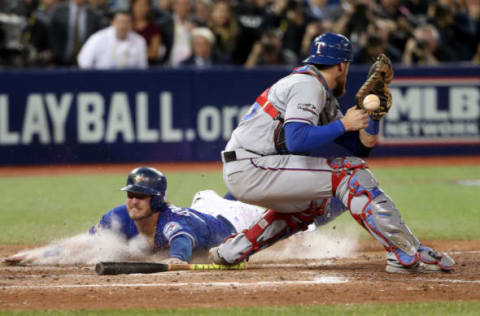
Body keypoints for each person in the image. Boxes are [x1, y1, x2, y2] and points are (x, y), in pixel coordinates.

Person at [209, 32, 455, 274]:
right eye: (347, 65)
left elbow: (358, 149)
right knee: (348, 172)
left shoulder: (318, 89)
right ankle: (406, 252)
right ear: (341, 65)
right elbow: (297, 141)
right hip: (252, 166)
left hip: (253, 166)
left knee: (314, 203)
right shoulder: (307, 85)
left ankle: (233, 251)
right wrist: (344, 124)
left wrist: (373, 118)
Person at [5, 167, 264, 265]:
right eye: (130, 194)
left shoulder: (173, 225)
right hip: (206, 209)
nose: (133, 201)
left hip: (235, 218)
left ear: (157, 199)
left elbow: (178, 261)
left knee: (289, 214)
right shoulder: (119, 216)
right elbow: (87, 242)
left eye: (141, 196)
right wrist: (38, 255)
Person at [77, 10, 148, 69]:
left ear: (132, 24)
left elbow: (142, 68)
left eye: (127, 22)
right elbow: (84, 62)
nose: (123, 26)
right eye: (120, 22)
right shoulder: (98, 38)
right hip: (101, 80)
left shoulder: (139, 41)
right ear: (113, 23)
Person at [48, 0, 102, 66]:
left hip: (84, 63)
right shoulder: (58, 11)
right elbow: (51, 35)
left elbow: (95, 38)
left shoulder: (93, 15)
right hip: (60, 61)